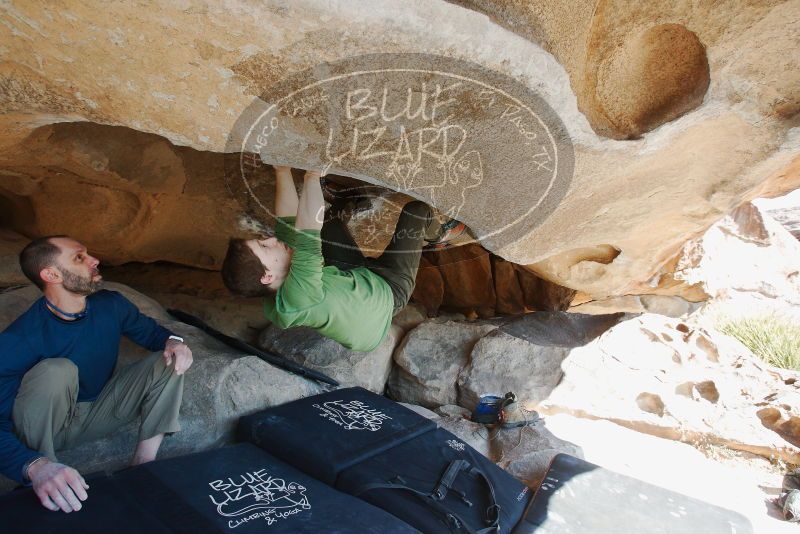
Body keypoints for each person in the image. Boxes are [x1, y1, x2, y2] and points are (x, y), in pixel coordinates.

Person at [0, 236, 193, 513]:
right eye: (80, 257)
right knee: (57, 370)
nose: (94, 260)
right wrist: (35, 467)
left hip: (97, 412)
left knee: (169, 360)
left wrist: (174, 341)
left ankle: (142, 468)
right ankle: (51, 476)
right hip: (44, 429)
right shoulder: (20, 338)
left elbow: (152, 333)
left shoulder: (110, 304)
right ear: (51, 274)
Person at [222, 166, 462, 352]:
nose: (272, 240)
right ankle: (440, 234)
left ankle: (351, 203)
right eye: (265, 247)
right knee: (416, 211)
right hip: (389, 291)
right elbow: (308, 230)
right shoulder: (298, 297)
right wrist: (312, 174)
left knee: (321, 221)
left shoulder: (277, 280)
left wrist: (281, 169)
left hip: (351, 276)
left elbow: (288, 223)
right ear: (267, 276)